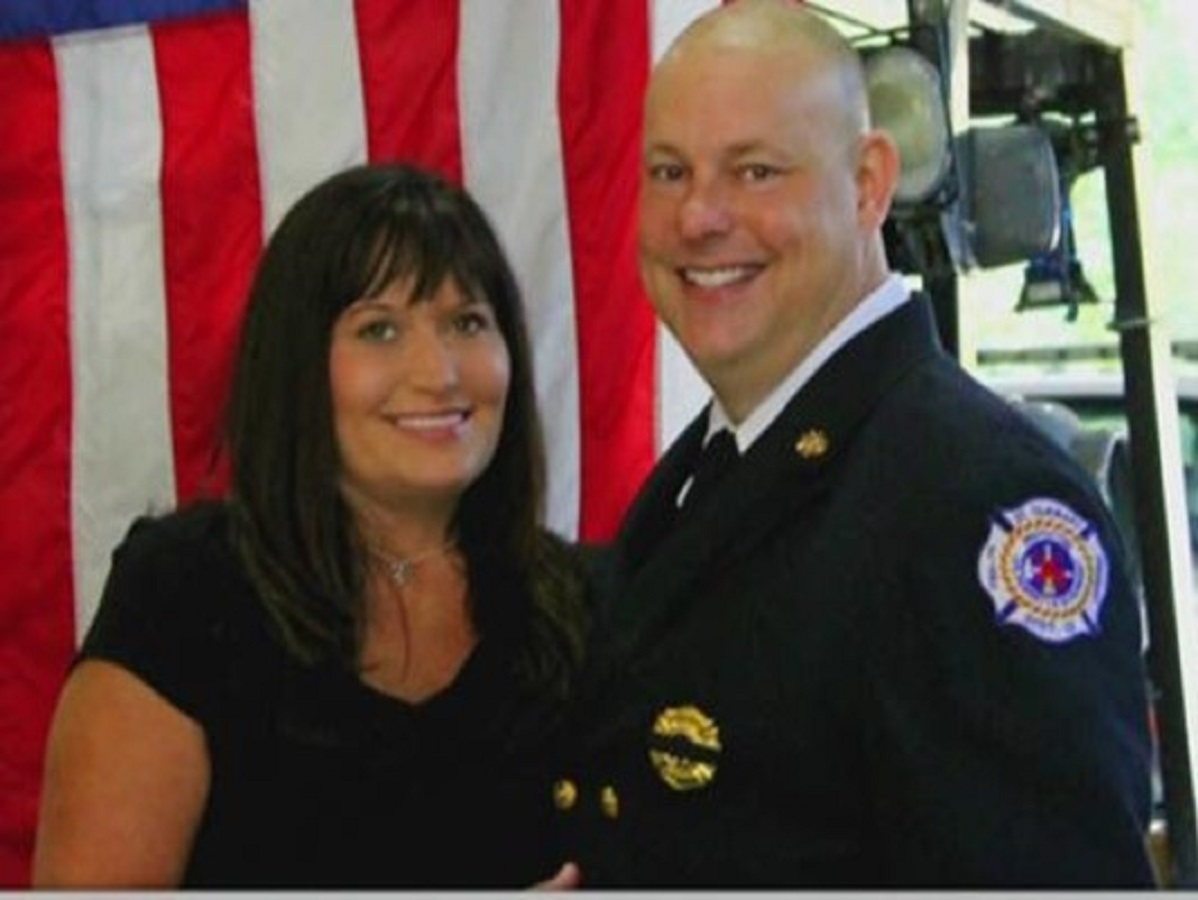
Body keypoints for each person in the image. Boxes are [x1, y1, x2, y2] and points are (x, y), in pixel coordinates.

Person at [553, 0, 1156, 887]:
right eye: (669, 171)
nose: (699, 217)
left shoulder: (973, 504)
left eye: (756, 171)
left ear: (871, 182)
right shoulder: (726, 466)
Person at [32, 163, 588, 889]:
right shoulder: (183, 598)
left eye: (466, 322)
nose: (441, 371)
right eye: (379, 329)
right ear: (297, 362)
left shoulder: (574, 604)